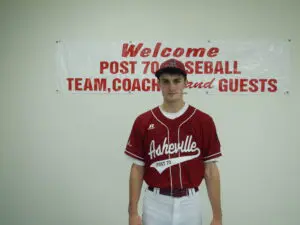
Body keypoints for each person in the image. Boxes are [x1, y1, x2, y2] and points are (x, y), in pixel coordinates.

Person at [124, 58, 223, 225]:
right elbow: (137, 169)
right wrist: (132, 213)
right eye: (166, 81)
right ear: (159, 84)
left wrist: (218, 216)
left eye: (177, 81)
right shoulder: (143, 121)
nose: (171, 87)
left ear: (185, 83)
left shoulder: (203, 121)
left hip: (190, 202)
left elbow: (211, 170)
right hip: (155, 202)